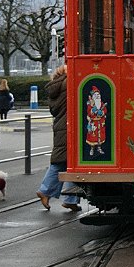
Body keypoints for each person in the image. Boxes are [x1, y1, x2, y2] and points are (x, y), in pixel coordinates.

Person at [37, 64, 81, 212]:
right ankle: (66, 197)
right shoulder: (68, 83)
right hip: (70, 126)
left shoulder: (55, 86)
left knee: (63, 161)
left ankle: (49, 192)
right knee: (74, 162)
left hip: (61, 126)